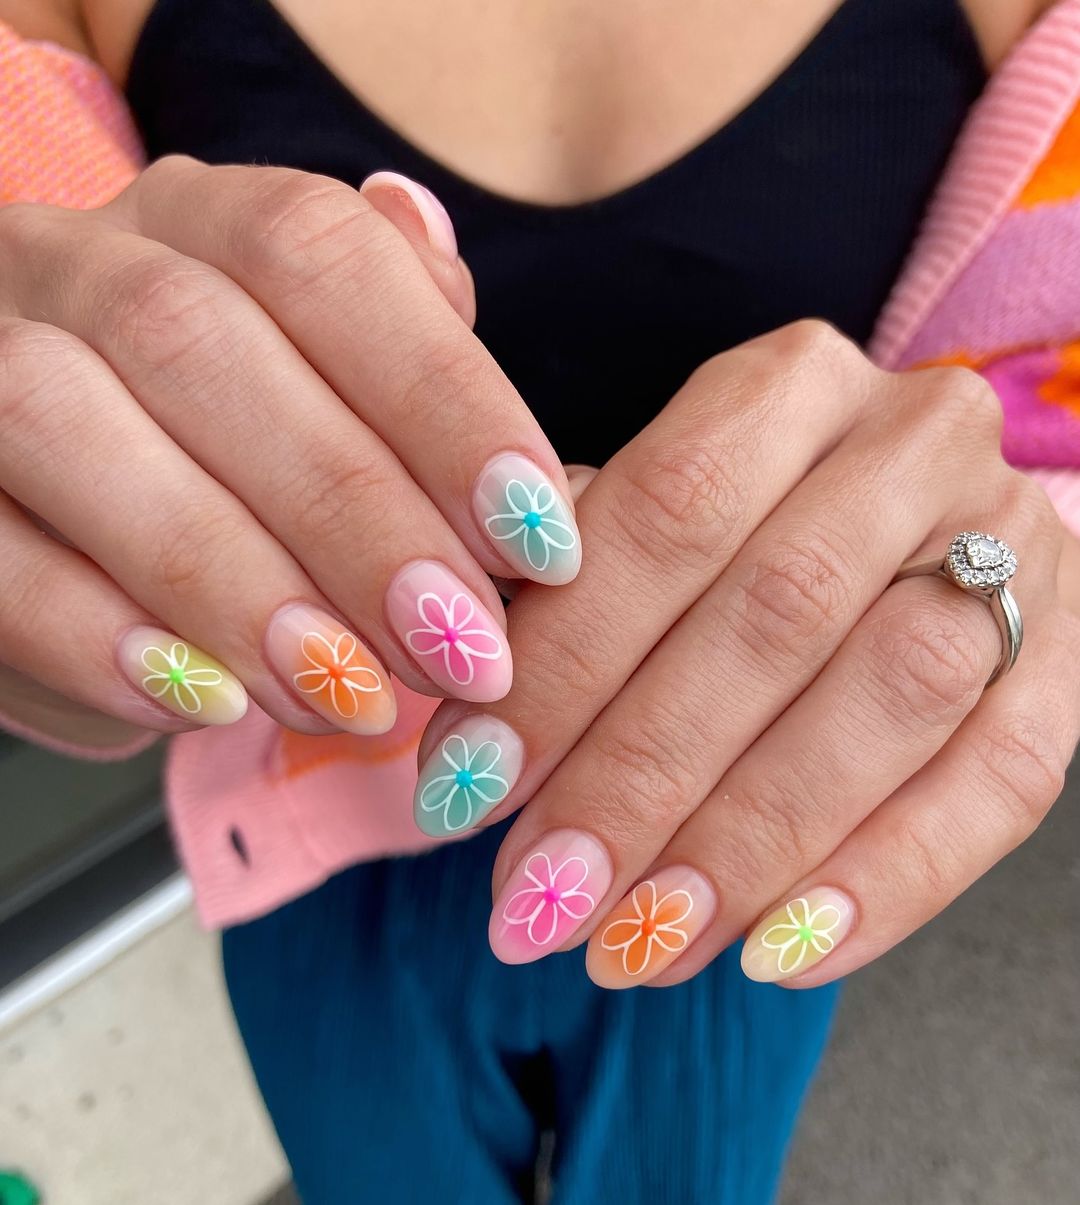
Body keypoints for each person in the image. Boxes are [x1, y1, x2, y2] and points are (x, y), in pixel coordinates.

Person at [1, 0, 1078, 1200]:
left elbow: (1039, 429)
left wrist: (1006, 579)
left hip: (731, 851)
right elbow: (62, 461)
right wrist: (71, 616)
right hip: (316, 859)